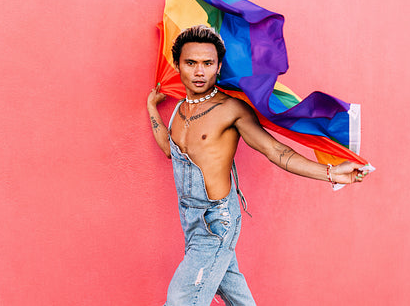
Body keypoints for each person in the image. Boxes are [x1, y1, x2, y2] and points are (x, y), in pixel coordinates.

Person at [147, 25, 368, 305]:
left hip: (216, 222)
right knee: (237, 296)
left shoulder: (230, 110)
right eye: (191, 63)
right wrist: (152, 107)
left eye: (208, 63)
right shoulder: (178, 110)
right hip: (190, 221)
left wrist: (331, 172)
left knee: (181, 299)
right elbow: (170, 149)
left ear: (218, 67)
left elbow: (275, 150)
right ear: (177, 64)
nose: (199, 71)